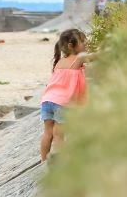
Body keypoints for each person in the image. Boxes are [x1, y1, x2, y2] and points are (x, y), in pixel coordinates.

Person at [39, 29, 93, 162]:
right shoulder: (78, 59)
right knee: (58, 135)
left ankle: (44, 160)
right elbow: (95, 57)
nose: (86, 44)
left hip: (47, 101)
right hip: (61, 103)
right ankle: (59, 163)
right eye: (83, 42)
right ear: (71, 45)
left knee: (47, 133)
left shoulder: (59, 62)